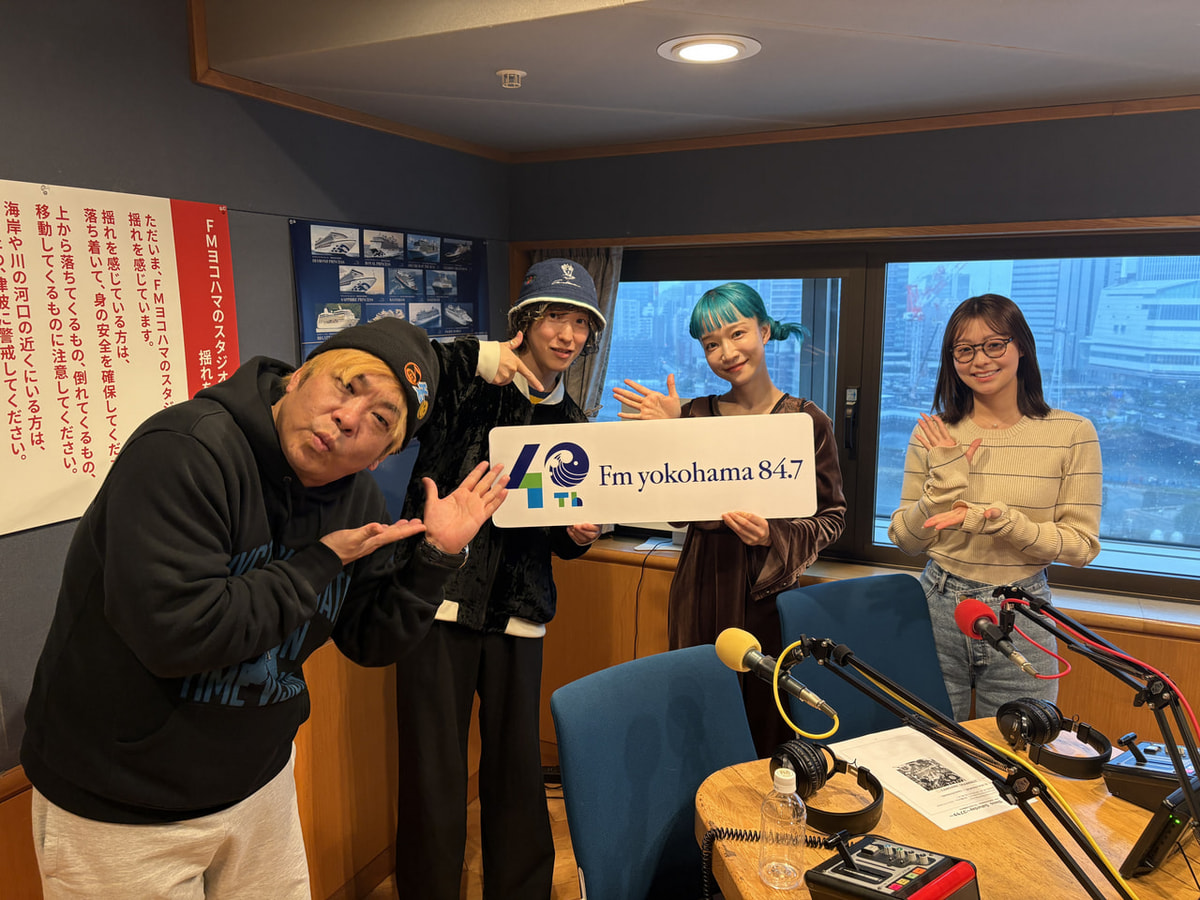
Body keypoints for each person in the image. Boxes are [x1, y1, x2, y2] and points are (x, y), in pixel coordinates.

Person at [20, 317, 510, 900]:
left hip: (260, 785)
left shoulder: (357, 497)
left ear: (382, 456)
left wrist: (435, 558)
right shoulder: (185, 450)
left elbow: (371, 640)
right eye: (346, 385)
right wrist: (319, 561)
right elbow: (178, 634)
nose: (349, 418)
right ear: (298, 376)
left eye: (381, 420)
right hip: (121, 803)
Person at [392, 258, 602, 899]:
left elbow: (556, 535)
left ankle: (522, 889)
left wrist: (577, 537)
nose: (566, 335)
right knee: (433, 769)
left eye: (580, 324)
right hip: (438, 601)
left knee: (516, 765)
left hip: (520, 611)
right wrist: (474, 357)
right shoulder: (467, 386)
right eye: (554, 318)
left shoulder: (574, 426)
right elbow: (407, 369)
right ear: (525, 322)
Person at [613, 281, 846, 756]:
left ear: (764, 331)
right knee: (699, 711)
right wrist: (668, 438)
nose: (727, 352)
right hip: (699, 586)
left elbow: (832, 517)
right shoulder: (692, 414)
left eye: (737, 333)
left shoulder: (806, 420)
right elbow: (674, 512)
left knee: (767, 714)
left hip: (768, 595)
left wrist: (773, 534)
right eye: (711, 344)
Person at [888, 293, 1102, 721]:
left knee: (1018, 745)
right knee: (927, 742)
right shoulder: (934, 433)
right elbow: (907, 540)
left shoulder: (1072, 433)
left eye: (994, 345)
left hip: (1023, 610)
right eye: (964, 350)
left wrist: (1003, 523)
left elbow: (1081, 546)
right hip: (937, 603)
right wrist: (944, 483)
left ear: (1021, 346)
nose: (980, 360)